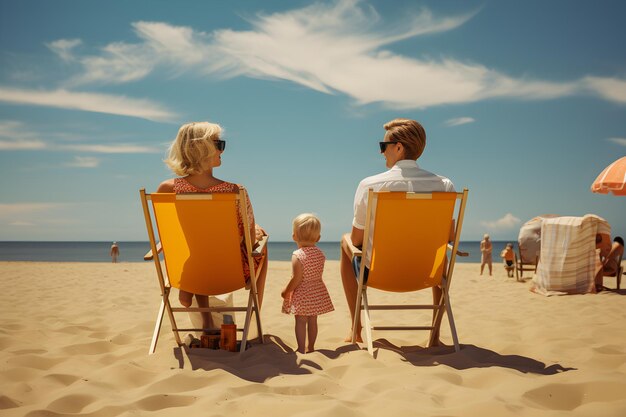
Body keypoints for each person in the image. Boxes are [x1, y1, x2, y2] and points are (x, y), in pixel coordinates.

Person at [340, 118, 455, 344]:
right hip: (427, 273)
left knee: (345, 244)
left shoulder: (370, 185)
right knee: (442, 257)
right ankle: (435, 335)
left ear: (398, 147)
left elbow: (357, 239)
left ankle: (356, 330)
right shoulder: (444, 186)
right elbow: (449, 236)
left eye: (384, 146)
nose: (382, 152)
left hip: (380, 272)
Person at [157, 121, 268, 331]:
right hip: (231, 273)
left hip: (194, 269)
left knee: (199, 247)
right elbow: (250, 241)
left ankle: (197, 303)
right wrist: (258, 234)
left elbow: (168, 233)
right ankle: (255, 316)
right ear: (202, 148)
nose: (222, 150)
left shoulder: (167, 189)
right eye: (219, 144)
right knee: (263, 246)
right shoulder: (235, 191)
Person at [281, 213, 334, 353]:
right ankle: (311, 347)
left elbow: (296, 279)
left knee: (300, 321)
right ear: (318, 238)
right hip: (316, 290)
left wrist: (286, 291)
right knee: (313, 321)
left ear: (294, 236)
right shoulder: (320, 254)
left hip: (303, 292)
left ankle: (300, 348)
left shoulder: (297, 255)